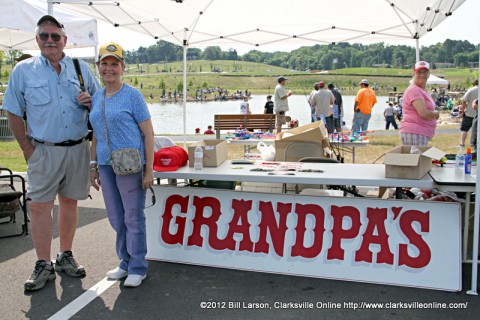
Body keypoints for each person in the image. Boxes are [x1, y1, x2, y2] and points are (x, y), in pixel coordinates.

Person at [2, 15, 100, 291]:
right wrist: (27, 149)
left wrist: (91, 102)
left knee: (69, 203)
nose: (50, 41)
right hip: (42, 151)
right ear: (37, 40)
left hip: (77, 149)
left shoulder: (80, 69)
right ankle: (43, 263)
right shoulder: (23, 70)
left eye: (55, 36)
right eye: (44, 36)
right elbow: (11, 109)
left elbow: (101, 105)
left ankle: (65, 255)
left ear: (65, 40)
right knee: (39, 206)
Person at [89, 42, 154, 288]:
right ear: (98, 67)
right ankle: (125, 261)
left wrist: (149, 169)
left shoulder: (132, 95)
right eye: (104, 64)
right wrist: (93, 163)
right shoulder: (97, 97)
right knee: (116, 217)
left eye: (114, 64)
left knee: (133, 217)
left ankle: (138, 266)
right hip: (106, 165)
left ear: (123, 67)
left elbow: (148, 133)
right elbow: (95, 133)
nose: (109, 69)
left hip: (130, 166)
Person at [399, 61, 439, 146]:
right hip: (415, 132)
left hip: (420, 133)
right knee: (417, 159)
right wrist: (436, 114)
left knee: (419, 159)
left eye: (425, 72)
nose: (422, 74)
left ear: (429, 74)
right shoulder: (414, 90)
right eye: (419, 72)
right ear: (414, 73)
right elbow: (423, 113)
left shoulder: (422, 90)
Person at [459, 79, 478, 147]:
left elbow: (464, 101)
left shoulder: (471, 90)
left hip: (469, 113)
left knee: (465, 129)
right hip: (478, 114)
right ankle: (475, 144)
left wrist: (462, 111)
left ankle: (462, 143)